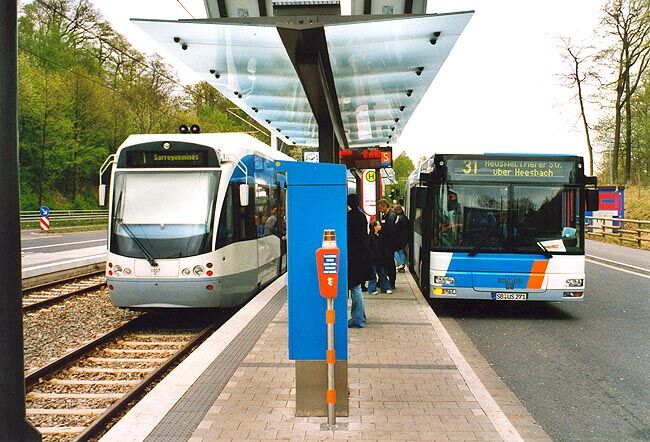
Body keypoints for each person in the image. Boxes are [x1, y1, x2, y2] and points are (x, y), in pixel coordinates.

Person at [347, 193, 372, 328]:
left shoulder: (349, 217)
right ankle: (360, 316)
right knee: (356, 286)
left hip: (353, 256)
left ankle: (358, 318)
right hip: (361, 255)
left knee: (355, 287)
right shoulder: (362, 216)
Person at [376, 198, 397, 289]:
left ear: (385, 206)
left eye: (380, 208)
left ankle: (391, 282)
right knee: (386, 263)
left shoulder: (390, 216)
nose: (380, 210)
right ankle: (383, 281)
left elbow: (389, 230)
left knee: (389, 263)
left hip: (389, 244)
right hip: (388, 244)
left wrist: (381, 231)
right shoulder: (387, 215)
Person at [367, 220, 391, 294]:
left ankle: (386, 288)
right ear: (374, 227)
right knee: (373, 274)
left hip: (381, 258)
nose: (380, 226)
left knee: (382, 274)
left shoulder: (381, 236)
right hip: (373, 259)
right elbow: (369, 248)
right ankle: (372, 289)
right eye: (378, 225)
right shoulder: (370, 237)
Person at [393, 205, 410, 273]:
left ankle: (401, 263)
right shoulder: (405, 218)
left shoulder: (398, 218)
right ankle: (403, 263)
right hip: (405, 238)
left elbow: (396, 229)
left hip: (398, 238)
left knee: (395, 251)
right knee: (401, 251)